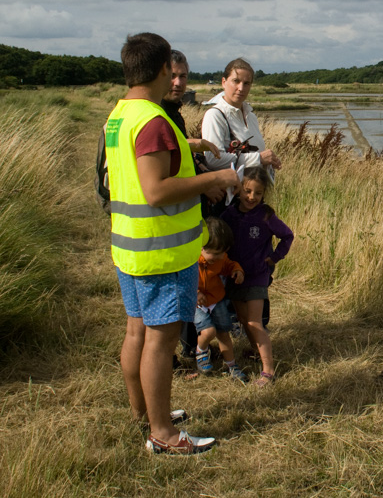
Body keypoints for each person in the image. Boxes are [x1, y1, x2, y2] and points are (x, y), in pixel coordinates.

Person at [103, 32, 239, 454]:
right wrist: (216, 177)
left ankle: (145, 414)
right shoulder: (154, 121)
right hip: (159, 252)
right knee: (159, 342)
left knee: (136, 333)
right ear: (163, 68)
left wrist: (192, 146)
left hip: (130, 246)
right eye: (173, 70)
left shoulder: (119, 115)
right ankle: (163, 435)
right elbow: (156, 189)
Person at [161, 50, 223, 362]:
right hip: (164, 222)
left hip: (182, 216)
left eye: (183, 76)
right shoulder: (156, 115)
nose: (178, 82)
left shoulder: (174, 112)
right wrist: (207, 179)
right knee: (171, 292)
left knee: (184, 286)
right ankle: (176, 350)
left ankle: (187, 344)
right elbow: (166, 164)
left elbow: (181, 159)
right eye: (172, 75)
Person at [221, 166, 294, 387]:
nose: (252, 197)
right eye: (247, 191)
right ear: (237, 189)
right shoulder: (229, 215)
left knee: (254, 322)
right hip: (234, 276)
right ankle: (256, 351)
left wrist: (274, 258)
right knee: (243, 320)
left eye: (258, 193)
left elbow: (287, 236)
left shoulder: (266, 215)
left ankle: (268, 371)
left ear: (264, 194)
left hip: (257, 276)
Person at [200, 58, 282, 180]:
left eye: (246, 83)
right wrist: (258, 159)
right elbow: (213, 160)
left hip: (253, 193)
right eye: (236, 81)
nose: (241, 88)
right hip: (231, 194)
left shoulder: (251, 116)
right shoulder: (215, 115)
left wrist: (269, 162)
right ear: (224, 82)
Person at [194, 217, 249, 383]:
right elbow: (184, 280)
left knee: (224, 334)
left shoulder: (220, 258)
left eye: (221, 254)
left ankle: (231, 366)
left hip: (216, 301)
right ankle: (201, 351)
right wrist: (195, 293)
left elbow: (229, 264)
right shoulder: (192, 260)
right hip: (197, 304)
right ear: (201, 246)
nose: (218, 258)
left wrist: (238, 271)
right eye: (214, 253)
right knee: (208, 331)